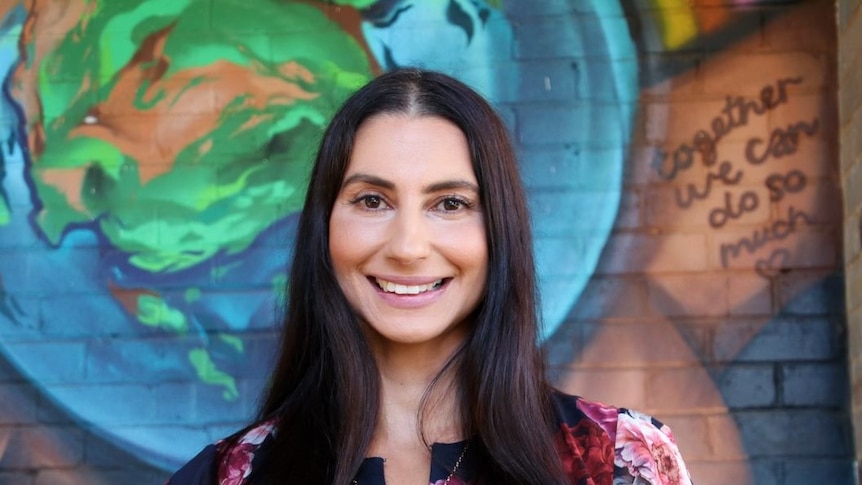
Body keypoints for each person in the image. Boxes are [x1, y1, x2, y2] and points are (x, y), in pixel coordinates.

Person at [167, 68, 693, 485]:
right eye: (372, 200)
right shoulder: (227, 476)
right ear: (324, 227)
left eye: (450, 203)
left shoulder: (622, 461)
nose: (408, 247)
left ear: (499, 231)